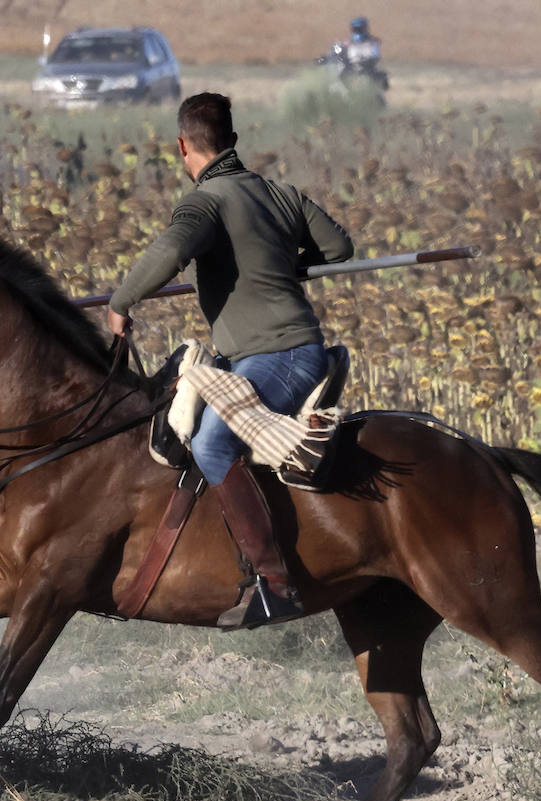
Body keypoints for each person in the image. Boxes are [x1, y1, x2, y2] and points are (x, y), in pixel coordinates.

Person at [106, 92, 353, 631]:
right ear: (234, 141)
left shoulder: (204, 202)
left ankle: (276, 584)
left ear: (181, 146)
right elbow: (338, 248)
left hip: (278, 357)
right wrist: (286, 259)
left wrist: (122, 302)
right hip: (276, 351)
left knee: (212, 442)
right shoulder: (280, 194)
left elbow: (169, 254)